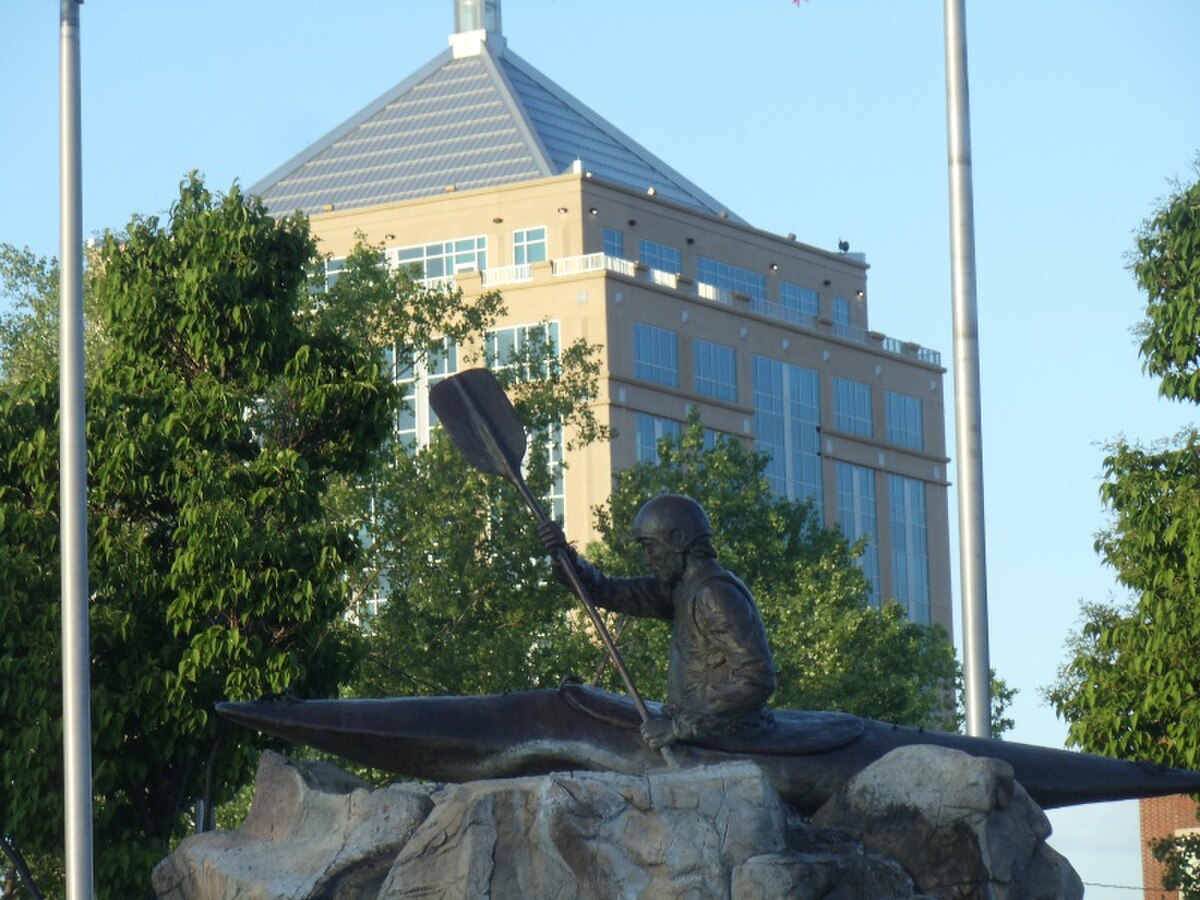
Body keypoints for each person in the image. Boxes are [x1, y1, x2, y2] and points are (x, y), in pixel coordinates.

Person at [539, 494, 777, 750]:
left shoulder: (714, 594)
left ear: (677, 541)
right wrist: (565, 557)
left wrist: (678, 727)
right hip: (696, 729)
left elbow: (757, 678)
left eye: (650, 547)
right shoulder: (680, 589)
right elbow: (608, 590)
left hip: (724, 735)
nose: (647, 559)